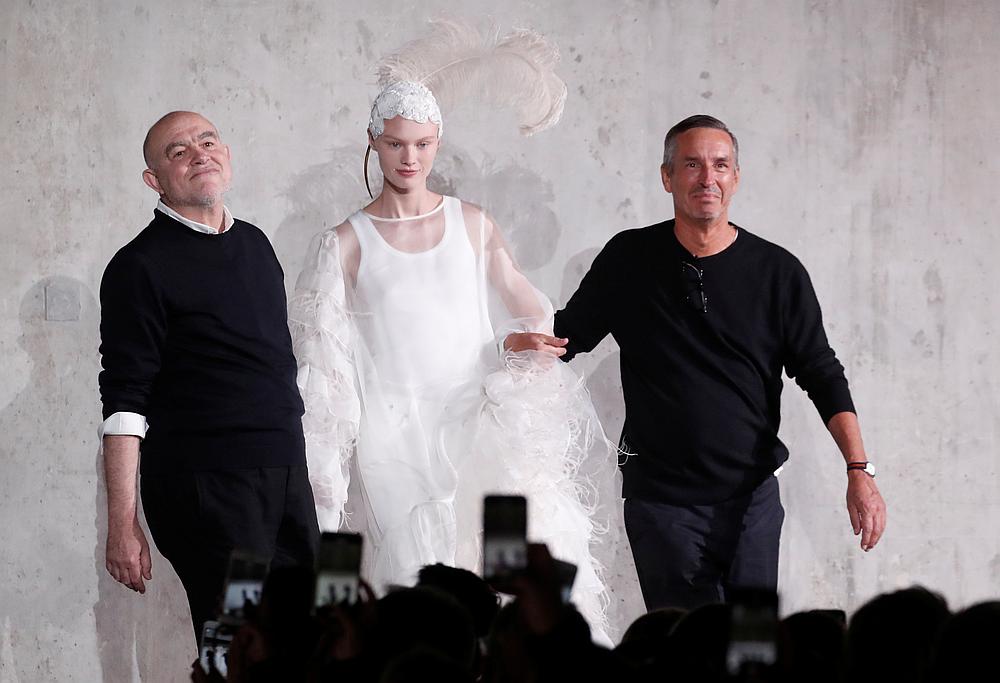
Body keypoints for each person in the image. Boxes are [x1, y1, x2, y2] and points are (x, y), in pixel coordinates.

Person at [506, 114, 887, 610]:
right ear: (667, 177)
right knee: (682, 654)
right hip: (661, 504)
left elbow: (821, 372)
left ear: (735, 176)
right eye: (691, 164)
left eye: (720, 165)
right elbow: (565, 338)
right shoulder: (630, 259)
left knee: (751, 651)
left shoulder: (777, 272)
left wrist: (859, 469)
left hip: (751, 501)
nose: (707, 178)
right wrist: (503, 344)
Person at [289, 82, 615, 635]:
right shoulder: (345, 243)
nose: (409, 158)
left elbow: (527, 312)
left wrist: (515, 351)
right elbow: (326, 368)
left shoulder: (472, 224)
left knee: (505, 576)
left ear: (438, 143)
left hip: (476, 425)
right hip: (394, 438)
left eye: (422, 144)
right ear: (373, 142)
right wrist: (325, 482)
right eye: (395, 144)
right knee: (424, 582)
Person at [98, 111, 319, 642]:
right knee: (239, 647)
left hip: (285, 473)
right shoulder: (139, 267)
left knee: (311, 636)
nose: (199, 153)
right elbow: (125, 401)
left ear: (226, 155)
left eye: (208, 140)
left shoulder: (256, 245)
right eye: (179, 151)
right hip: (212, 491)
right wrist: (122, 523)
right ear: (155, 180)